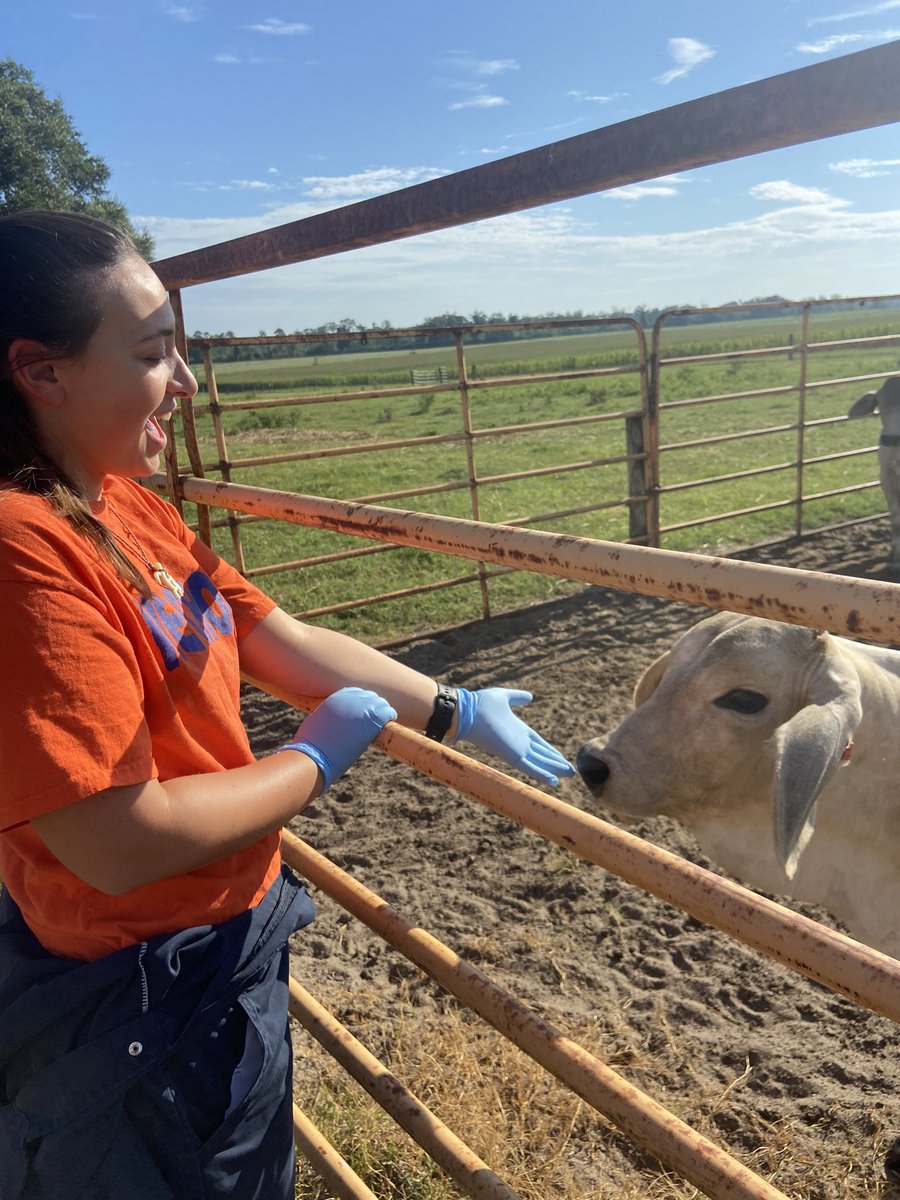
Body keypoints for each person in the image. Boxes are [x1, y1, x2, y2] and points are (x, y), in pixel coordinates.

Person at [0, 210, 575, 1200]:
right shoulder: (23, 557)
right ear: (41, 372)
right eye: (153, 352)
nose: (183, 383)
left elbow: (275, 637)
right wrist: (309, 762)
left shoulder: (118, 501)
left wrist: (452, 706)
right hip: (137, 994)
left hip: (215, 944)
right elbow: (115, 841)